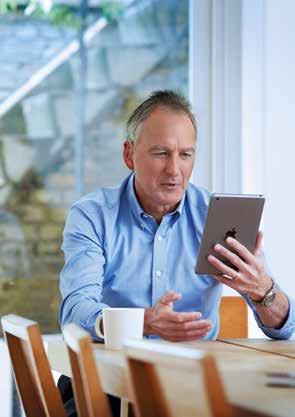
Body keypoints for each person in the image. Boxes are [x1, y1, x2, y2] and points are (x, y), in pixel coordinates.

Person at [58, 90, 295, 416]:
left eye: (185, 154)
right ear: (129, 155)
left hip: (191, 388)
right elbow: (74, 314)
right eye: (161, 153)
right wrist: (145, 322)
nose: (174, 170)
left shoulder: (218, 217)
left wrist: (263, 290)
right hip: (103, 387)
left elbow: (282, 328)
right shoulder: (92, 215)